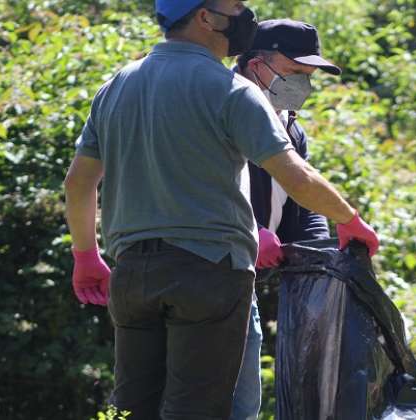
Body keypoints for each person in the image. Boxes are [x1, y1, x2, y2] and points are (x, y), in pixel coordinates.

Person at [63, 1, 379, 419]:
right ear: (205, 16)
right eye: (234, 5)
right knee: (197, 410)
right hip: (208, 272)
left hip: (132, 274)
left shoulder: (117, 85)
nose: (244, 14)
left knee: (135, 409)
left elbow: (78, 182)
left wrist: (86, 256)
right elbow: (296, 178)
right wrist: (350, 220)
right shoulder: (230, 89)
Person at [229, 19, 340, 419]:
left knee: (242, 400)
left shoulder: (291, 125)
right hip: (212, 265)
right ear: (257, 64)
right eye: (295, 73)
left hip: (246, 278)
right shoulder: (223, 104)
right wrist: (250, 230)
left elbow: (301, 206)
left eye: (309, 77)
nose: (303, 86)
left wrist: (324, 255)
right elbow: (198, 181)